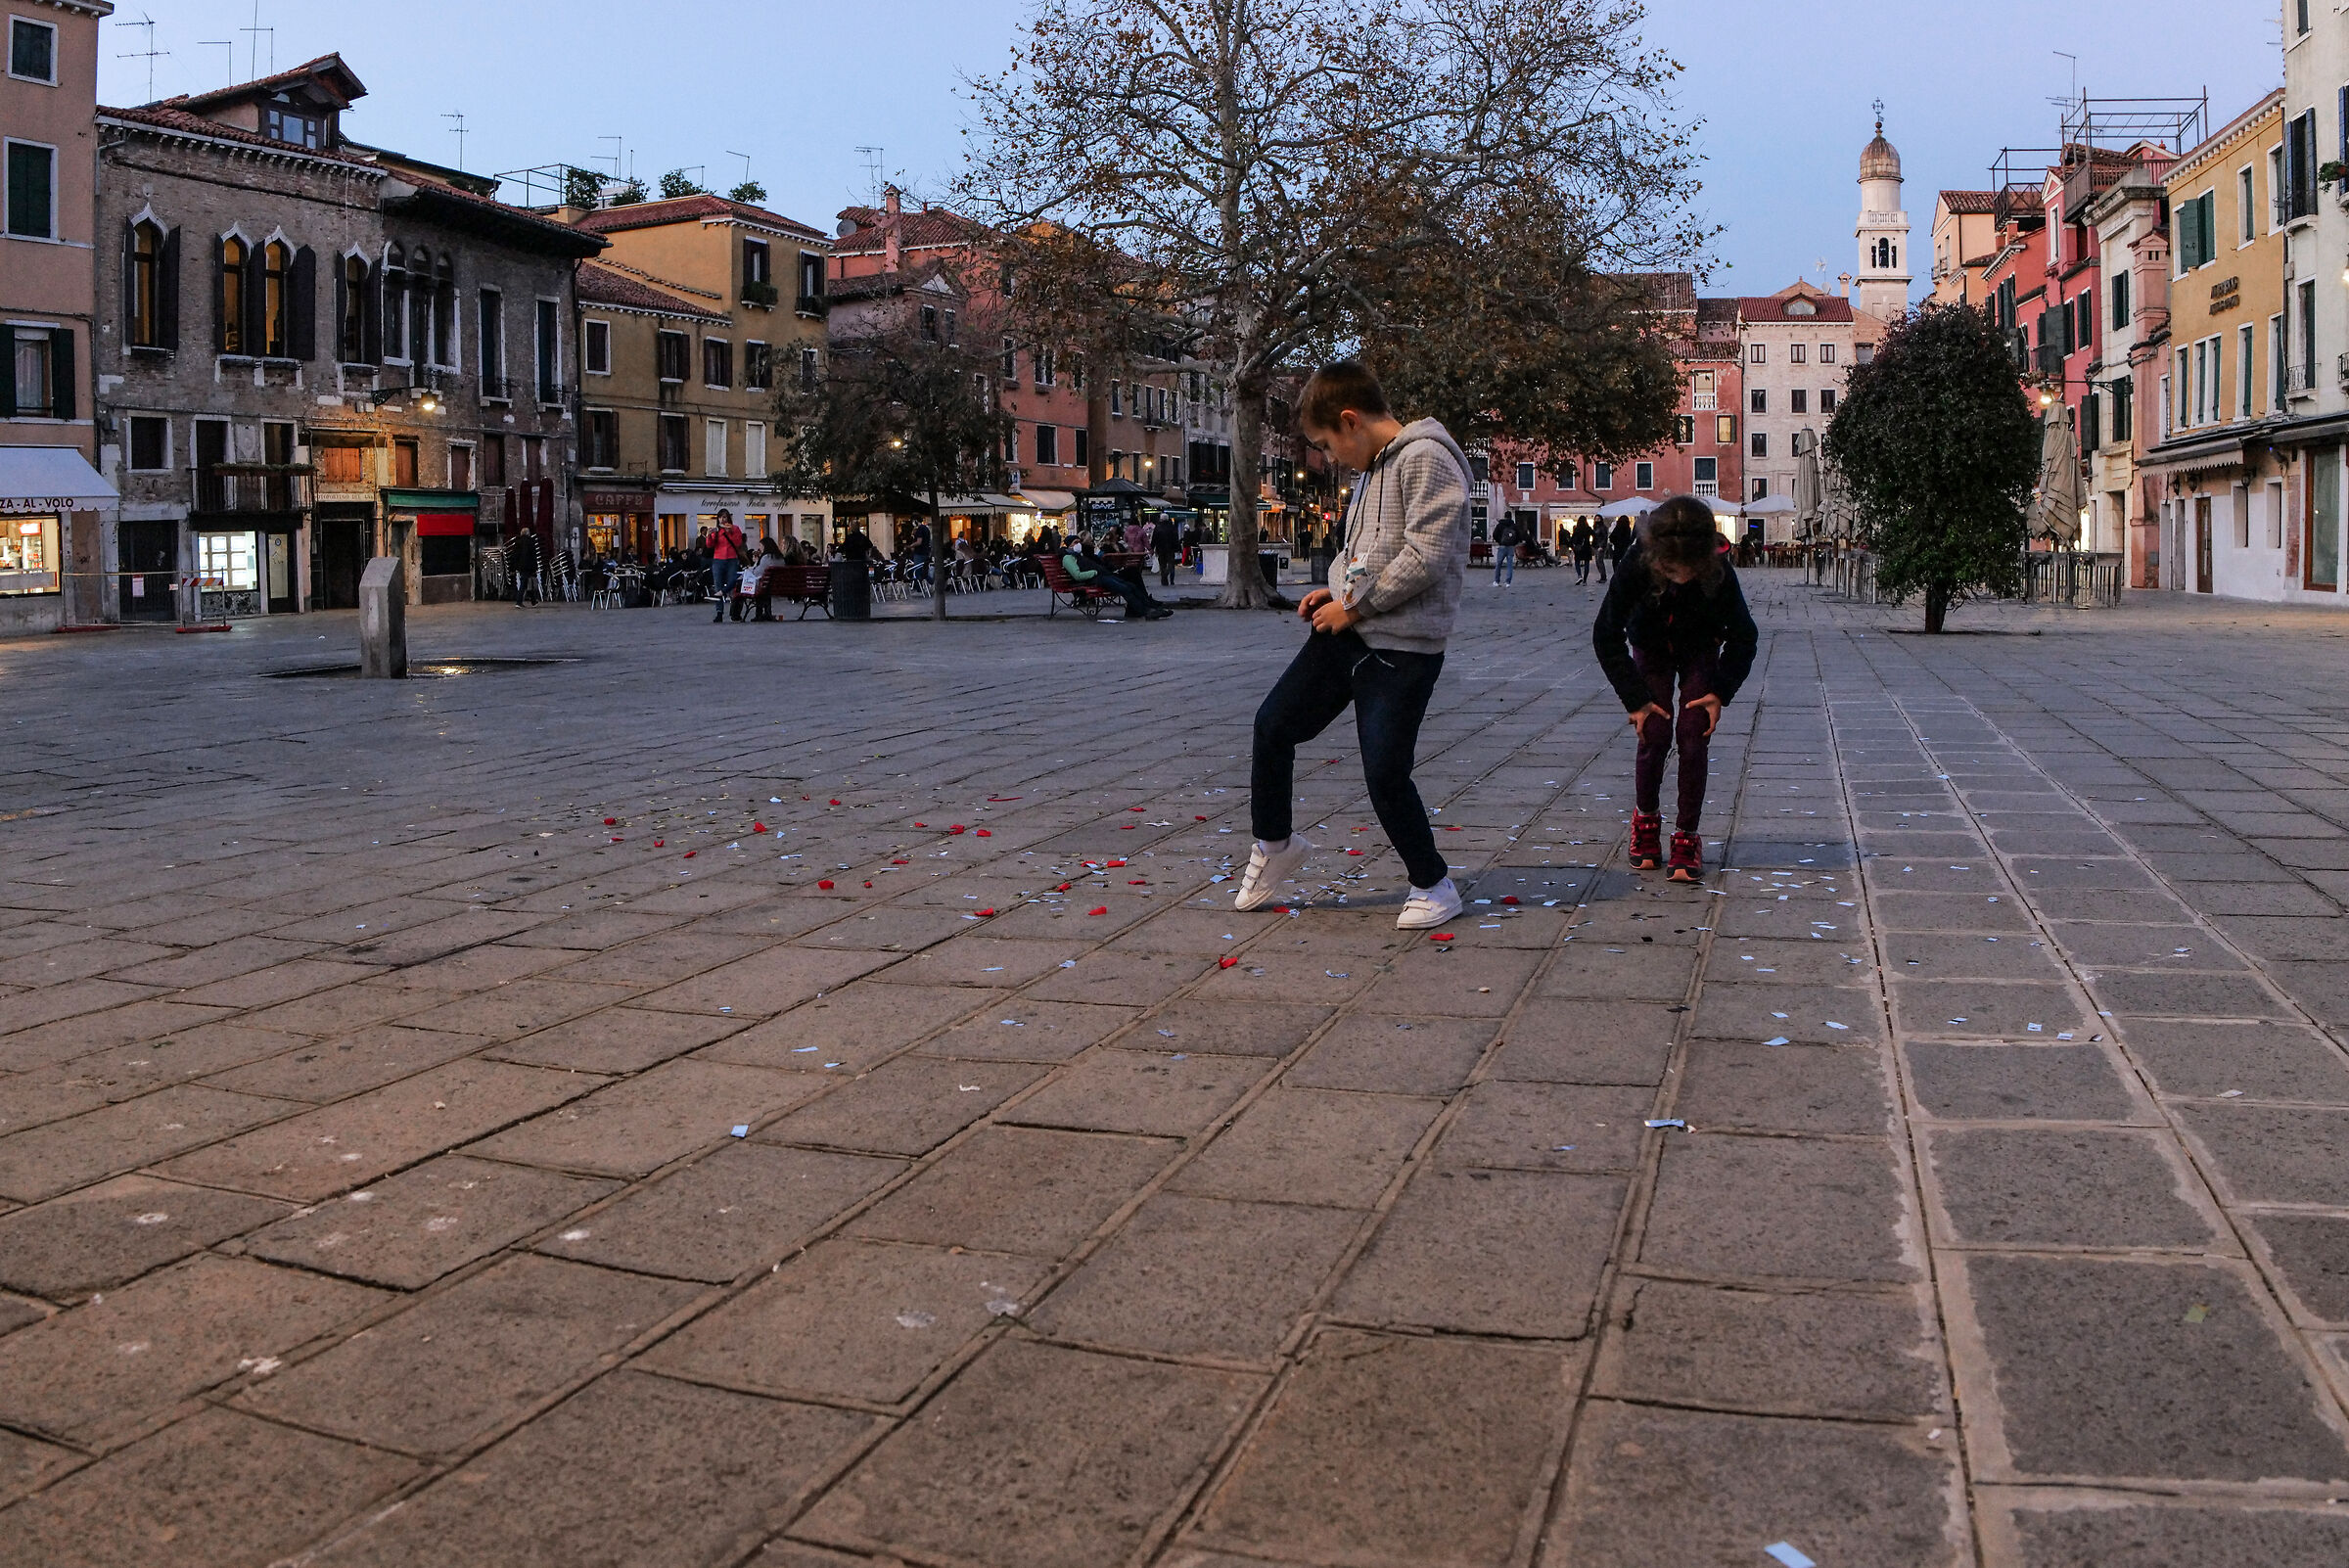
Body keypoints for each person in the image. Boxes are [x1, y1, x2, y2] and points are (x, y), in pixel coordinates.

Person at [1238, 360, 1469, 931]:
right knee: (1273, 725)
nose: (1331, 458)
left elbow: (1426, 556)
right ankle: (1274, 845)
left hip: (1404, 646)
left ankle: (1434, 884)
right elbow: (1359, 550)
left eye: (1327, 444)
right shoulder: (1371, 469)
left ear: (1351, 420)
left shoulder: (1426, 458)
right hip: (1350, 631)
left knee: (1385, 772)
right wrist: (1337, 591)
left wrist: (1356, 604)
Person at [1592, 496, 1759, 884]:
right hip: (1650, 648)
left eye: (1689, 570)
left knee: (1693, 734)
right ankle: (1645, 818)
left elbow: (1745, 637)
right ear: (1656, 557)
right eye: (1671, 569)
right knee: (1653, 732)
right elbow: (1605, 635)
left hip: (1700, 647)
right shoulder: (1635, 563)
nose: (1681, 577)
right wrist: (1634, 699)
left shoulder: (1718, 569)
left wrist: (1720, 690)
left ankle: (1687, 833)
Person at [1062, 538, 1172, 620]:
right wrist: (1094, 572)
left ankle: (1150, 608)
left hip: (1102, 576)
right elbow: (1077, 575)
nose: (1078, 544)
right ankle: (1145, 611)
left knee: (1131, 586)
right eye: (1075, 543)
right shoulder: (1068, 558)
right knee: (1124, 588)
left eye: (1078, 542)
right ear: (1068, 545)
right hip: (1095, 579)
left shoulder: (1080, 555)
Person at [708, 510, 748, 623]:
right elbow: (710, 545)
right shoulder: (717, 531)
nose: (722, 520)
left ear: (728, 518)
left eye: (724, 517)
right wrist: (709, 536)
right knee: (718, 585)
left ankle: (734, 612)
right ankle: (719, 612)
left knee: (732, 584)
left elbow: (738, 543)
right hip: (718, 559)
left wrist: (730, 532)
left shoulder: (735, 529)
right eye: (720, 517)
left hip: (731, 559)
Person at [507, 525, 540, 608]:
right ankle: (519, 602)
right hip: (529, 566)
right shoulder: (531, 542)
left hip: (521, 566)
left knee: (526, 582)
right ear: (528, 533)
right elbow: (533, 556)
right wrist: (535, 567)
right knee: (524, 583)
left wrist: (512, 567)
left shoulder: (518, 542)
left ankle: (533, 601)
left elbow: (514, 555)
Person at [1491, 513, 1522, 586]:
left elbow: (1494, 534)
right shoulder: (1514, 526)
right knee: (1510, 565)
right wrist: (1514, 543)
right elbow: (1519, 536)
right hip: (1511, 547)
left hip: (1502, 546)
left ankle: (1496, 581)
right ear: (1511, 517)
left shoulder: (1500, 525)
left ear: (1504, 516)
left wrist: (1500, 541)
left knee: (1498, 564)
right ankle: (1508, 582)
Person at [1152, 513, 1181, 586]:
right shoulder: (1172, 527)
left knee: (1162, 565)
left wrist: (1152, 548)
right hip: (1170, 549)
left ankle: (1164, 580)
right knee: (1171, 564)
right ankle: (1171, 580)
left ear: (1161, 519)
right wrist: (1178, 548)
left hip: (1160, 549)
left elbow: (1154, 539)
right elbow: (1176, 538)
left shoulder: (1157, 527)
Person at [1570, 518, 1596, 584]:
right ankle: (1585, 580)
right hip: (1587, 547)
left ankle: (1579, 576)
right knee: (1587, 563)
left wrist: (1573, 546)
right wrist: (1592, 544)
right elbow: (1595, 536)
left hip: (1579, 548)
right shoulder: (1588, 528)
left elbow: (1572, 539)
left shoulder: (1577, 529)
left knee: (1577, 562)